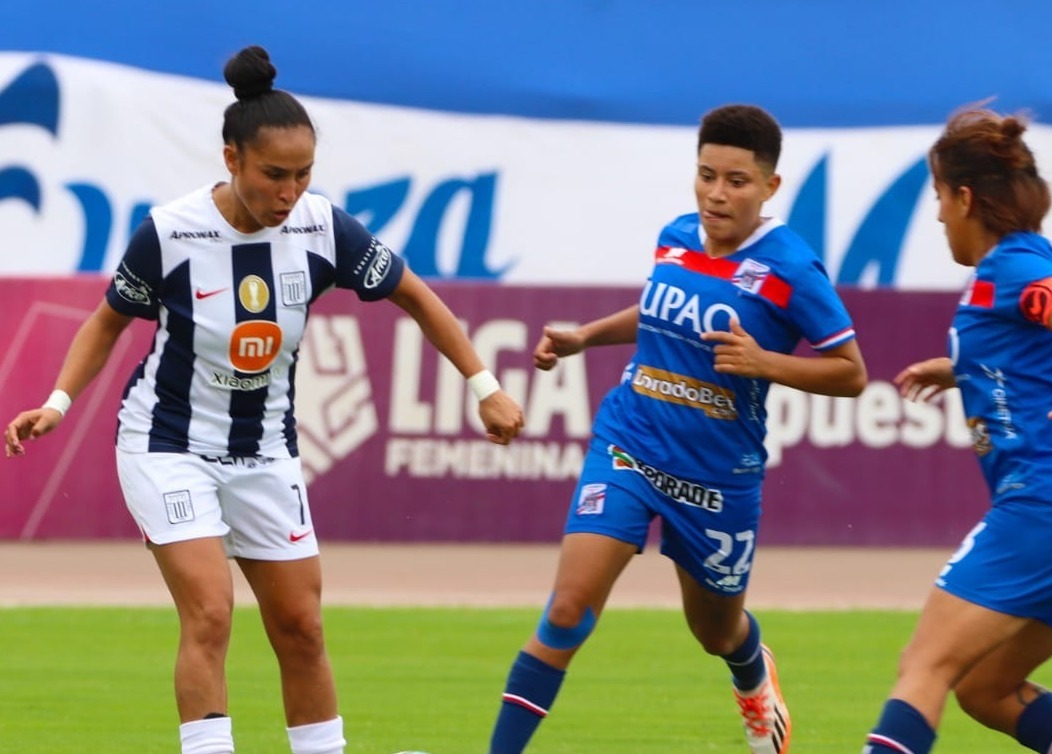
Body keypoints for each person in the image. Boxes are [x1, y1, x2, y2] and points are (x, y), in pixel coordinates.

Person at [4, 45, 524, 754]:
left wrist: (484, 386)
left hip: (264, 451)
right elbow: (106, 321)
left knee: (302, 629)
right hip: (167, 444)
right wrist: (59, 402)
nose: (290, 192)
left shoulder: (323, 227)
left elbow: (415, 295)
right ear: (232, 160)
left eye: (304, 175)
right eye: (274, 175)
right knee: (212, 614)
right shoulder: (171, 231)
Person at [486, 104, 867, 754]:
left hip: (716, 477)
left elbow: (851, 372)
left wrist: (765, 362)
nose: (717, 193)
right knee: (567, 611)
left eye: (737, 181)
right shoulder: (676, 235)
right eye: (706, 175)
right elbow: (660, 309)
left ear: (771, 188)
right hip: (630, 444)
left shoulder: (791, 268)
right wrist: (586, 337)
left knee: (716, 632)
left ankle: (753, 674)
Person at [859, 107, 1052, 754]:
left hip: (1048, 504)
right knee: (987, 687)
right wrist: (961, 369)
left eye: (937, 197)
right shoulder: (1005, 273)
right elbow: (1025, 351)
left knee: (923, 667)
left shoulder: (1012, 265)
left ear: (963, 197)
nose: (935, 216)